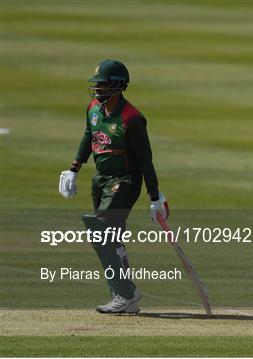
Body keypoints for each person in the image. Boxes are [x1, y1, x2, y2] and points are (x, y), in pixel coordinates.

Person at [58, 59, 168, 314]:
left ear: (119, 86)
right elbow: (90, 135)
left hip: (126, 181)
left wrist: (154, 197)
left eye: (103, 84)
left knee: (102, 228)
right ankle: (124, 294)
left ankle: (126, 293)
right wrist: (74, 169)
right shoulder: (94, 109)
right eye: (96, 85)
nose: (98, 89)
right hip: (102, 180)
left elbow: (145, 161)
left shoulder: (132, 119)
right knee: (105, 238)